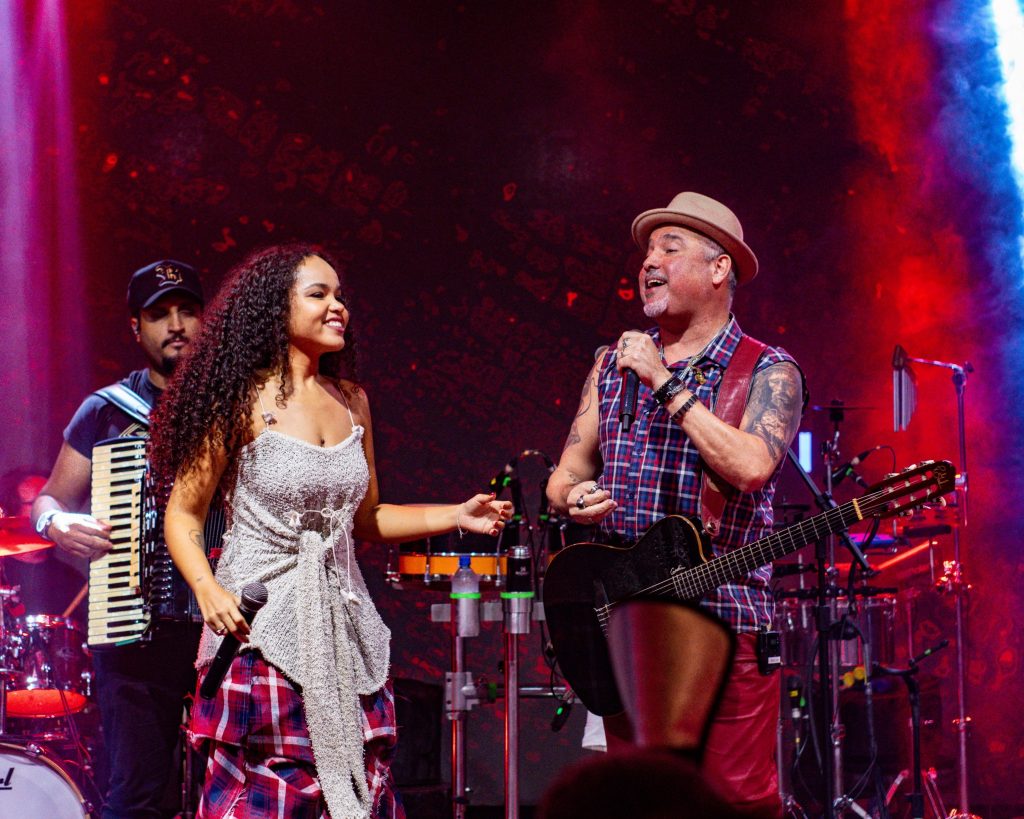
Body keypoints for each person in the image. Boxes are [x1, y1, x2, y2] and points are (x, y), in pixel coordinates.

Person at [151, 243, 511, 818]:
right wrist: (207, 589)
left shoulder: (352, 401)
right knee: (266, 794)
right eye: (318, 294)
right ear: (276, 308)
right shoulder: (238, 399)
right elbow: (184, 513)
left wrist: (455, 513)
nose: (337, 306)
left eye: (339, 295)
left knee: (358, 790)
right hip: (260, 631)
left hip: (343, 628)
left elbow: (367, 518)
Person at [545, 191, 805, 815]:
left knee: (735, 803)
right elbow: (564, 472)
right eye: (646, 252)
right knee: (643, 803)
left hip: (726, 622)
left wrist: (664, 381)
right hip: (629, 623)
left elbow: (751, 466)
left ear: (719, 268)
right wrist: (573, 495)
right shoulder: (611, 365)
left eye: (670, 247)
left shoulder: (768, 370)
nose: (649, 263)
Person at [31, 260, 209, 818]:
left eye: (187, 311)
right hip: (134, 630)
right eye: (159, 315)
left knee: (231, 792)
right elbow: (49, 499)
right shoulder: (108, 410)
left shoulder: (239, 404)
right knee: (137, 795)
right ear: (136, 327)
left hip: (227, 629)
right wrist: (55, 523)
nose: (176, 325)